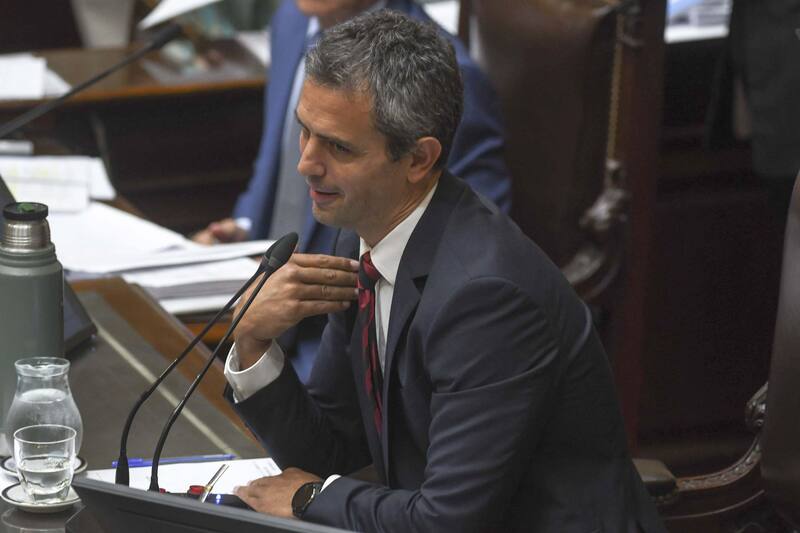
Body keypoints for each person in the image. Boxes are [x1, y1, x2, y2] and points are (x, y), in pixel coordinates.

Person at [223, 10, 665, 533]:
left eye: (338, 147)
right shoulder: (361, 233)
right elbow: (329, 450)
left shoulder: (485, 298)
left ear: (418, 159)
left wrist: (307, 499)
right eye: (305, 132)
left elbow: (448, 521)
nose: (306, 163)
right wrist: (253, 341)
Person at [194, 0, 511, 382]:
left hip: (349, 348)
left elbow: (470, 238)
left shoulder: (446, 78)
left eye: (340, 147)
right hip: (262, 305)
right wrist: (246, 229)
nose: (307, 163)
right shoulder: (293, 20)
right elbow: (276, 158)